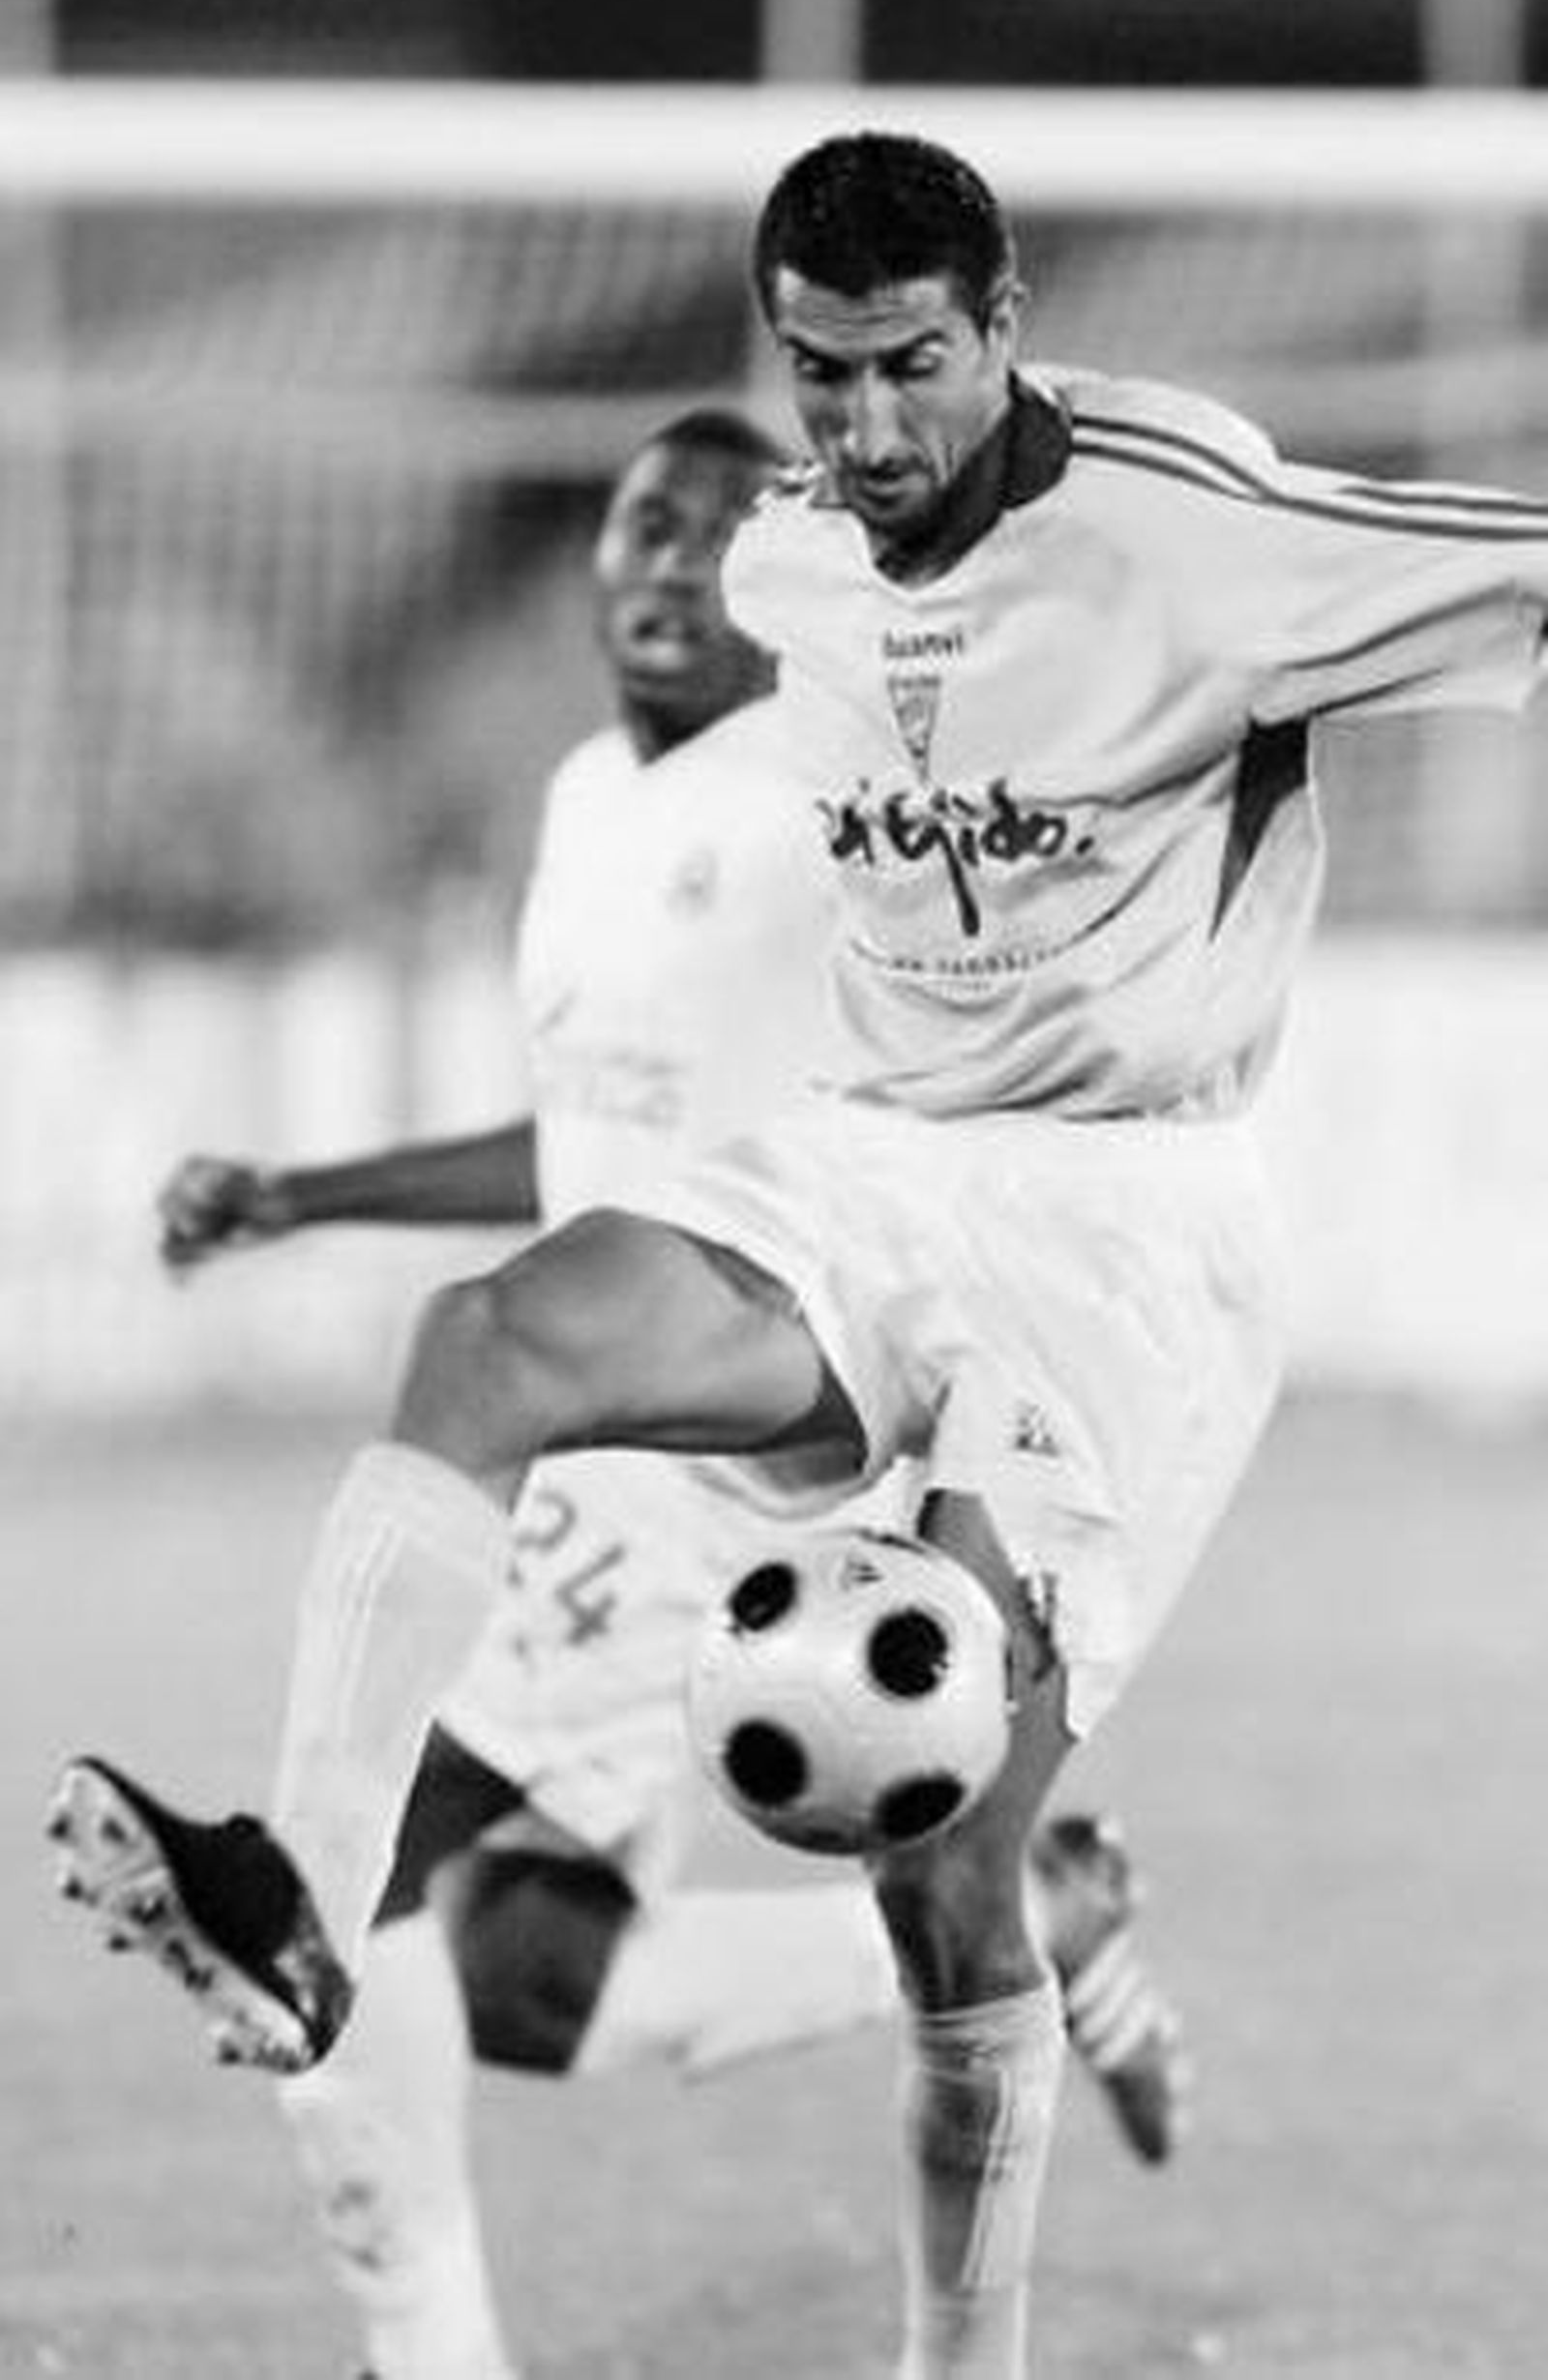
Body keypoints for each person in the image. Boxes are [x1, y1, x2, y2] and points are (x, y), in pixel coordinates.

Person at [54, 128, 1548, 2376]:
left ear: (1007, 326)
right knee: (491, 1340)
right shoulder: (791, 571)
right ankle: (306, 1897)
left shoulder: (1199, 535)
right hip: (874, 1160)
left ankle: (971, 2353)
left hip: (1128, 1231)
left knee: (936, 1865)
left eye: (909, 371)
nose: (862, 433)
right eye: (818, 376)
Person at [114, 407, 1181, 2380]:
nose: (671, 565)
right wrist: (307, 1196)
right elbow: (594, 1140)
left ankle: (425, 2353)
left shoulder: (822, 798)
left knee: (366, 1854)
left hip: (707, 1444)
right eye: (640, 524)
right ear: (591, 557)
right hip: (582, 1400)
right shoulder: (584, 801)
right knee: (523, 1973)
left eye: (720, 535)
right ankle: (1033, 1892)